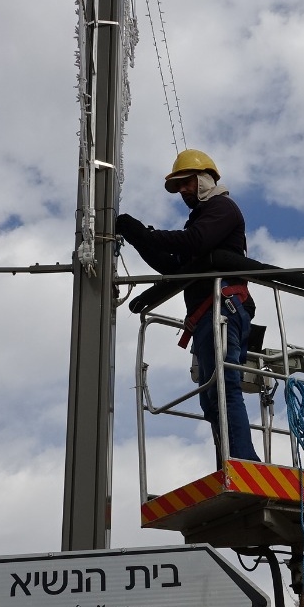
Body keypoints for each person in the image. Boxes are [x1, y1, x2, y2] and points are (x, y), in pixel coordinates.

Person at [116, 149, 260, 464]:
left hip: (224, 307)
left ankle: (245, 462)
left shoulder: (223, 210)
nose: (182, 191)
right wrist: (137, 236)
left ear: (205, 179)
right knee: (211, 397)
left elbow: (192, 241)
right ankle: (230, 462)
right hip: (208, 314)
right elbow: (171, 266)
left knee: (223, 387)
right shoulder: (204, 224)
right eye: (178, 186)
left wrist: (146, 233)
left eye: (186, 183)